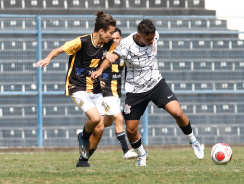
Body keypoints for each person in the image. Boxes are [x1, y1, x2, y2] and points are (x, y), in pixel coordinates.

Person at [91, 19, 204, 166]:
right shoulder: (126, 45)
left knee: (177, 113)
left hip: (156, 84)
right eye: (148, 39)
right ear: (139, 36)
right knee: (131, 130)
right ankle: (141, 154)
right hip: (135, 90)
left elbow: (153, 37)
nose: (152, 42)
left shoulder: (155, 35)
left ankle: (193, 141)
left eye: (153, 38)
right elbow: (112, 58)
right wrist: (100, 69)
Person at [36, 11, 116, 167]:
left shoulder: (109, 43)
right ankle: (83, 136)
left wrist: (104, 67)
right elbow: (58, 50)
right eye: (110, 32)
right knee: (95, 119)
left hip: (96, 88)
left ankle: (83, 161)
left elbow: (107, 59)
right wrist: (47, 59)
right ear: (101, 31)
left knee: (101, 128)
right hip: (77, 86)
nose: (112, 36)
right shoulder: (81, 42)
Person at [76, 28, 137, 166]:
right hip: (106, 93)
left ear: (121, 39)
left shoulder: (122, 54)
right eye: (113, 38)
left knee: (103, 126)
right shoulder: (104, 54)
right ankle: (126, 151)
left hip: (116, 94)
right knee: (119, 118)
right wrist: (97, 81)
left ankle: (83, 154)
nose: (115, 40)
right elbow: (89, 68)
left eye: (117, 38)